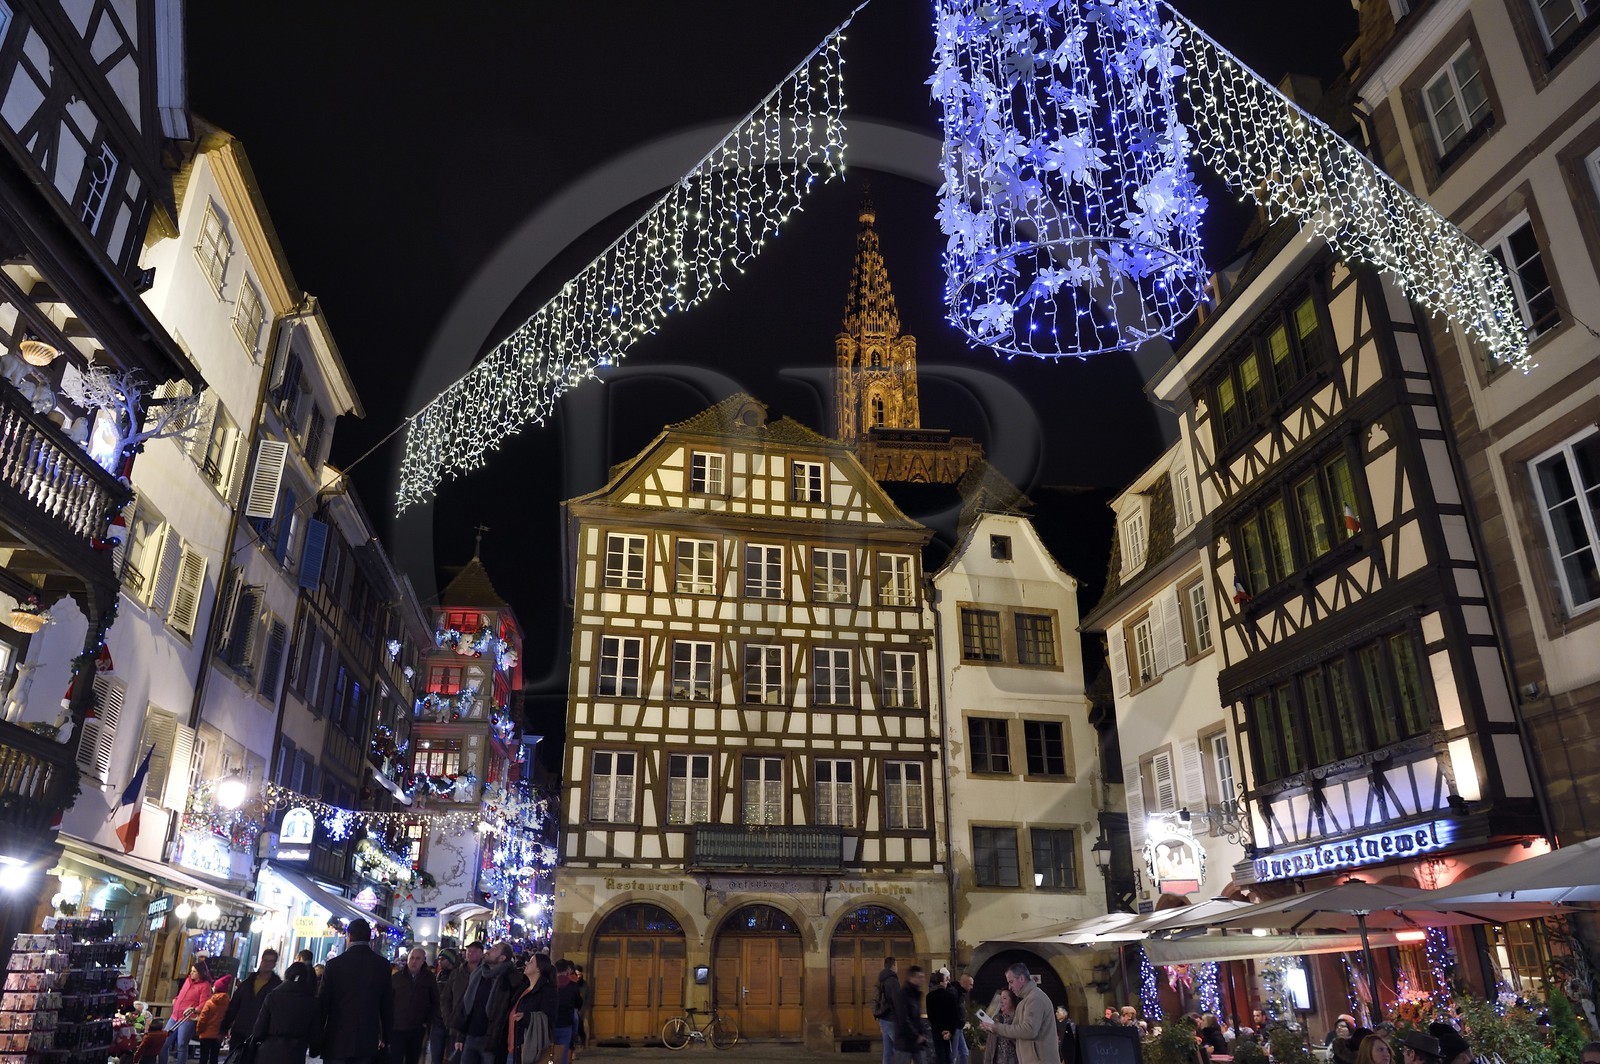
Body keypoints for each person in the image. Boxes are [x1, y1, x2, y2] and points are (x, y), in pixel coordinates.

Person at [317, 918, 396, 1064]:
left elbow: (323, 1004)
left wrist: (316, 1039)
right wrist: (387, 1038)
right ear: (370, 937)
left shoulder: (334, 965)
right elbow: (387, 1006)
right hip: (367, 1040)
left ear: (349, 936)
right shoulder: (382, 965)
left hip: (337, 1040)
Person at [980, 964, 1055, 1064]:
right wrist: (992, 1029)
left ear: (1021, 978)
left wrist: (997, 1028)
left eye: (1011, 982)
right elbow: (1015, 1032)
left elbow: (1029, 1030)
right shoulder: (1025, 1001)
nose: (1010, 987)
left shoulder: (1035, 998)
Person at [456, 942, 515, 1064]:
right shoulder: (478, 974)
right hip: (471, 1036)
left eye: (494, 949)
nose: (488, 951)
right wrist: (460, 1036)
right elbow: (467, 1005)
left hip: (490, 1040)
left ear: (502, 958)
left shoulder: (509, 979)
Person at [253, 962, 320, 1064]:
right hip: (295, 1054)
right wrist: (314, 1050)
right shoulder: (311, 1002)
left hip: (268, 1053)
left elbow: (259, 1029)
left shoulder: (273, 996)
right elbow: (315, 1033)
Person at [223, 951, 281, 1064]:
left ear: (275, 964)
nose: (268, 964)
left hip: (261, 1035)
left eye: (271, 961)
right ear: (261, 961)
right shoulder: (247, 983)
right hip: (240, 1031)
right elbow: (234, 1006)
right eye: (266, 960)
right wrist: (224, 1028)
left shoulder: (277, 986)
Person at [161, 958, 215, 1064]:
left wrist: (195, 1009)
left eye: (194, 971)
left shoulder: (205, 986)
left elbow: (204, 1003)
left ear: (200, 973)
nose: (191, 973)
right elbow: (182, 993)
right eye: (191, 970)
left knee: (181, 1045)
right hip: (175, 1015)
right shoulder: (188, 980)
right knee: (164, 1043)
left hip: (188, 1018)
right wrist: (176, 1000)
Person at [393, 947, 442, 1064]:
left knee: (413, 1058)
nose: (414, 961)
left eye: (417, 958)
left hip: (417, 1028)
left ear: (423, 961)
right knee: (395, 1058)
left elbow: (435, 1001)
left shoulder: (429, 978)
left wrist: (427, 1022)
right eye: (412, 958)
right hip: (397, 1027)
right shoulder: (397, 978)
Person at [510, 954, 557, 1064]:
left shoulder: (547, 991)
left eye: (531, 962)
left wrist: (526, 1017)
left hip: (528, 1048)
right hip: (512, 1047)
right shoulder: (523, 988)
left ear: (538, 968)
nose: (526, 963)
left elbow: (549, 1019)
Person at [891, 964, 930, 1064]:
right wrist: (916, 1036)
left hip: (916, 1042)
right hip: (905, 1042)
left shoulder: (916, 994)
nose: (923, 980)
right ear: (912, 978)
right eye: (920, 977)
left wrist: (922, 1033)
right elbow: (903, 1019)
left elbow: (916, 1017)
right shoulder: (903, 995)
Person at [195, 975, 234, 1064]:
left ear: (216, 989)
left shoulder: (209, 1003)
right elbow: (228, 1019)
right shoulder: (228, 1004)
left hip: (205, 1035)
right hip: (218, 1036)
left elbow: (202, 1019)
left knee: (203, 1057)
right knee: (214, 1057)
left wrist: (199, 1030)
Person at [926, 970, 962, 1064]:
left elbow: (931, 1016)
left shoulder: (929, 996)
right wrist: (949, 1031)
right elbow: (954, 1015)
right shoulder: (950, 996)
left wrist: (940, 1030)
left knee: (940, 1055)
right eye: (946, 980)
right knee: (948, 1054)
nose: (947, 983)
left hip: (937, 1030)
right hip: (948, 1030)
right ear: (941, 982)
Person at [431, 951, 460, 1064]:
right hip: (437, 1022)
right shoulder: (439, 976)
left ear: (450, 960)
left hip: (452, 1023)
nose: (440, 961)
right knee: (436, 1057)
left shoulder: (458, 976)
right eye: (439, 959)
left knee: (452, 1058)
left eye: (442, 959)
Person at [552, 960, 581, 1064]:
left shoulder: (551, 984)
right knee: (564, 1053)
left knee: (550, 1053)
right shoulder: (572, 986)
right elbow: (578, 1003)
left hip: (552, 1023)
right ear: (567, 970)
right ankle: (574, 1042)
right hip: (565, 1024)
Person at [982, 989, 1020, 1064]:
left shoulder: (1019, 1019)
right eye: (1000, 998)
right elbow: (990, 1046)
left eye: (1004, 998)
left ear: (1012, 1000)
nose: (1001, 1001)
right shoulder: (997, 1019)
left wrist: (998, 1030)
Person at [875, 956, 901, 1064]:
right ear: (893, 965)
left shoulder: (881, 978)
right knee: (901, 1048)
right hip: (891, 1018)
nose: (897, 968)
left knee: (888, 1050)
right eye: (896, 965)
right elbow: (897, 1001)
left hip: (883, 1018)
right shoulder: (892, 980)